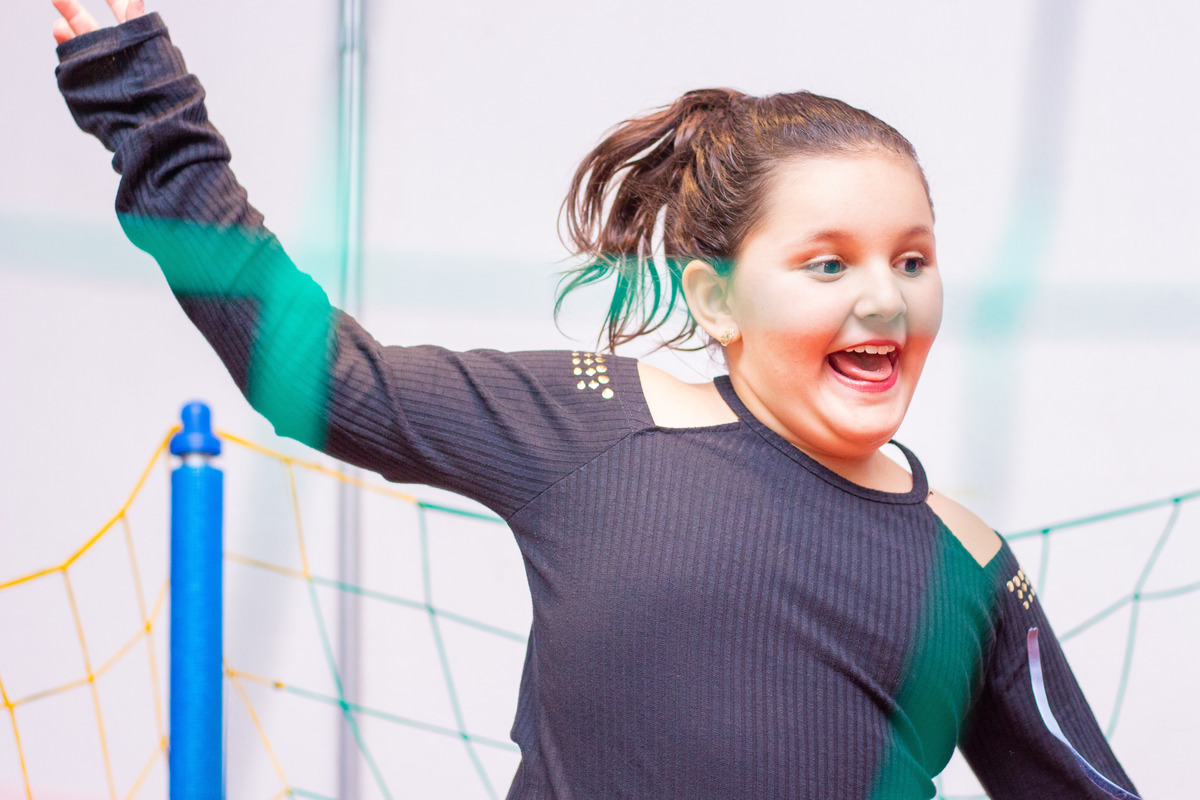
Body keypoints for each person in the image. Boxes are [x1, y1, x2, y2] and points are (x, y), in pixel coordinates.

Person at [51, 2, 1141, 798]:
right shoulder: (598, 423)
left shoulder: (970, 562)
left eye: (912, 260)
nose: (882, 298)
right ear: (716, 299)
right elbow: (327, 377)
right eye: (828, 264)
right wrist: (148, 110)